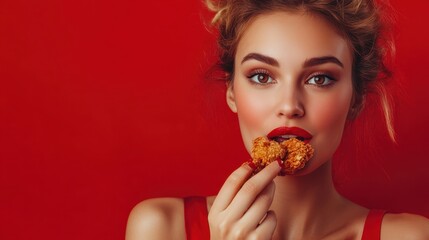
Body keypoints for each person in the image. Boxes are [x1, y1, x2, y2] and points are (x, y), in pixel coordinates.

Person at [125, 0, 429, 239]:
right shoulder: (161, 229)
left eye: (320, 79)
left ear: (355, 98)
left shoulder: (410, 236)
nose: (289, 105)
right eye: (261, 76)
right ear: (231, 91)